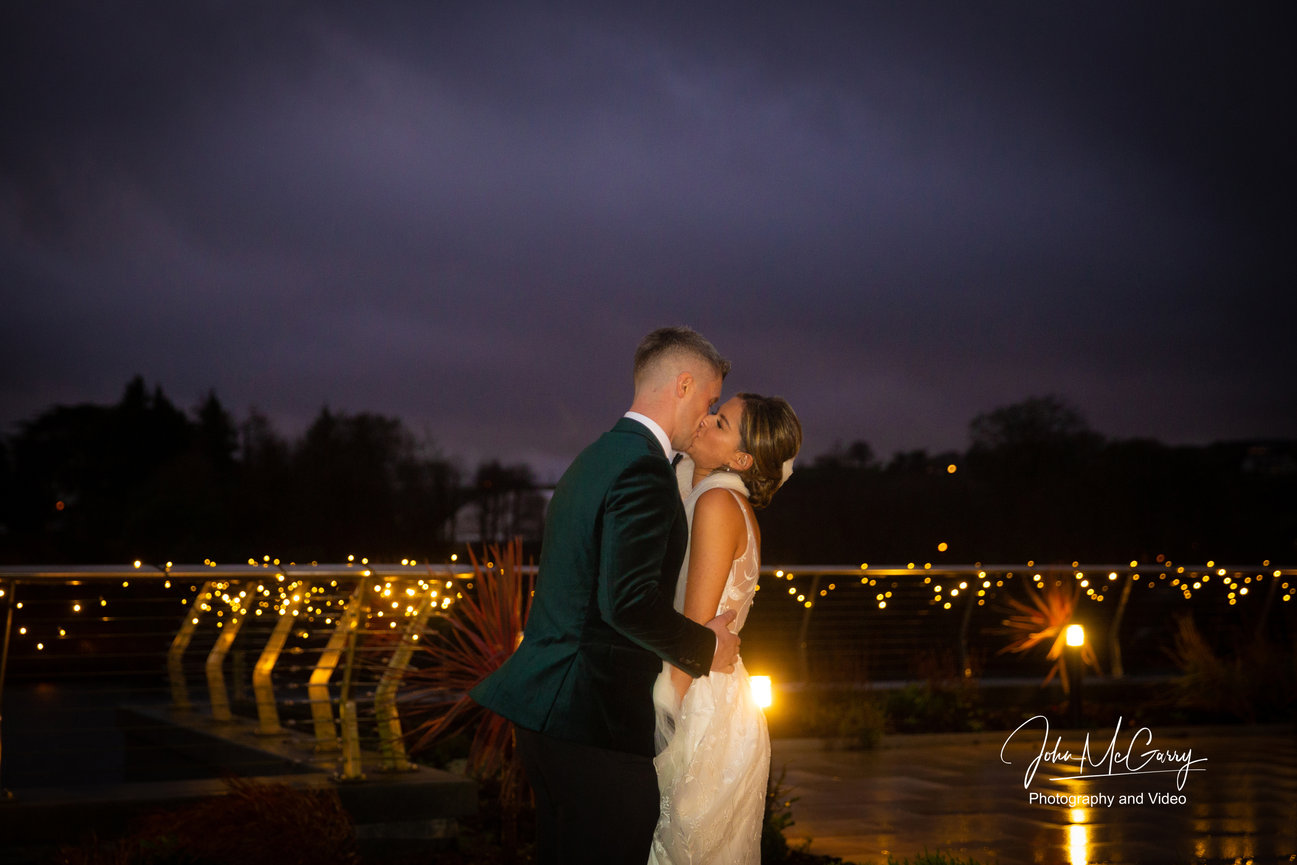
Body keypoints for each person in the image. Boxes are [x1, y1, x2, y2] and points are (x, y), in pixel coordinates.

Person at [470, 326, 743, 865]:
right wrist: (706, 646)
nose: (708, 417)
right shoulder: (644, 470)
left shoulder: (597, 456)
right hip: (595, 725)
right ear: (684, 385)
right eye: (710, 401)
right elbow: (625, 603)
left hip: (549, 721)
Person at [649, 392, 803, 865]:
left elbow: (692, 632)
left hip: (700, 705)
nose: (705, 421)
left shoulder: (717, 503)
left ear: (740, 458)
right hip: (716, 693)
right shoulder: (702, 495)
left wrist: (661, 726)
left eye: (720, 423)